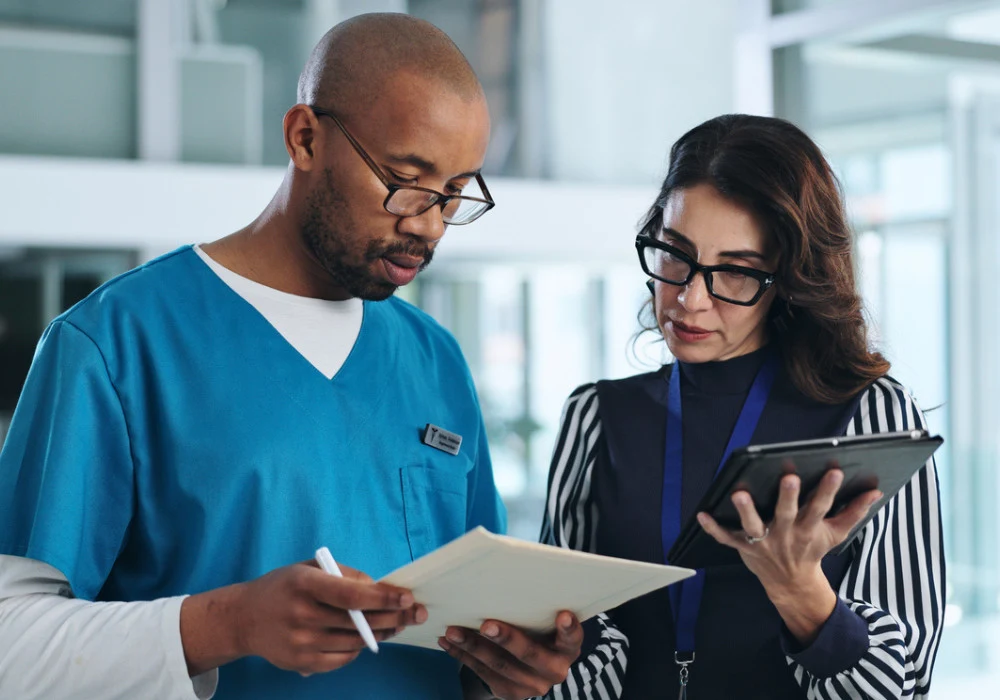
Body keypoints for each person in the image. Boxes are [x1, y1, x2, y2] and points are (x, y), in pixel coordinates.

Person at [0, 13, 582, 700]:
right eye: (405, 179)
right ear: (305, 137)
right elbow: (14, 649)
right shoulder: (114, 344)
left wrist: (507, 675)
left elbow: (467, 635)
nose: (427, 224)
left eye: (454, 194)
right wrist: (230, 624)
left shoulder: (435, 359)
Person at [538, 114, 945, 699]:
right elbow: (564, 650)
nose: (689, 299)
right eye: (674, 255)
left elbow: (903, 684)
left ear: (789, 279)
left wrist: (802, 595)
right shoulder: (596, 417)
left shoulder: (870, 415)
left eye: (734, 271)